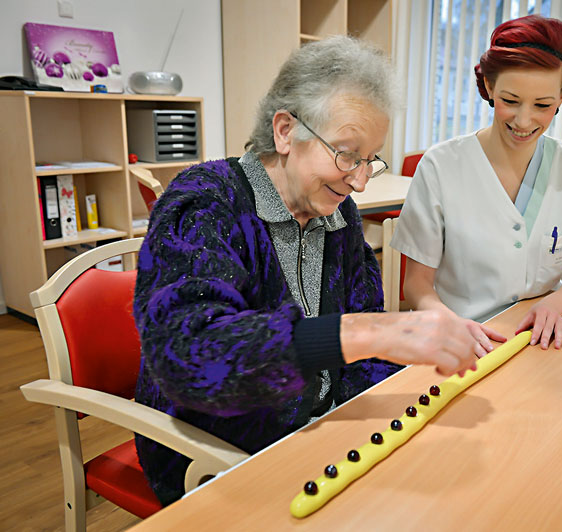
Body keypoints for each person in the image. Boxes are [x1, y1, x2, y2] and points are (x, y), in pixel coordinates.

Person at [133, 36, 479, 506]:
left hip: (322, 432)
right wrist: (366, 333)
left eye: (369, 159)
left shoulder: (339, 216)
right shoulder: (205, 203)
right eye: (345, 153)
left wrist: (395, 423)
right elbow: (189, 354)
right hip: (215, 451)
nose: (358, 180)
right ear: (284, 132)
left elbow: (367, 347)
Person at [391, 15, 562, 353]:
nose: (523, 121)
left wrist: (553, 306)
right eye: (510, 101)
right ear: (489, 86)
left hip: (538, 340)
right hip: (461, 340)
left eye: (542, 105)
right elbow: (417, 285)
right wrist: (448, 323)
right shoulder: (442, 166)